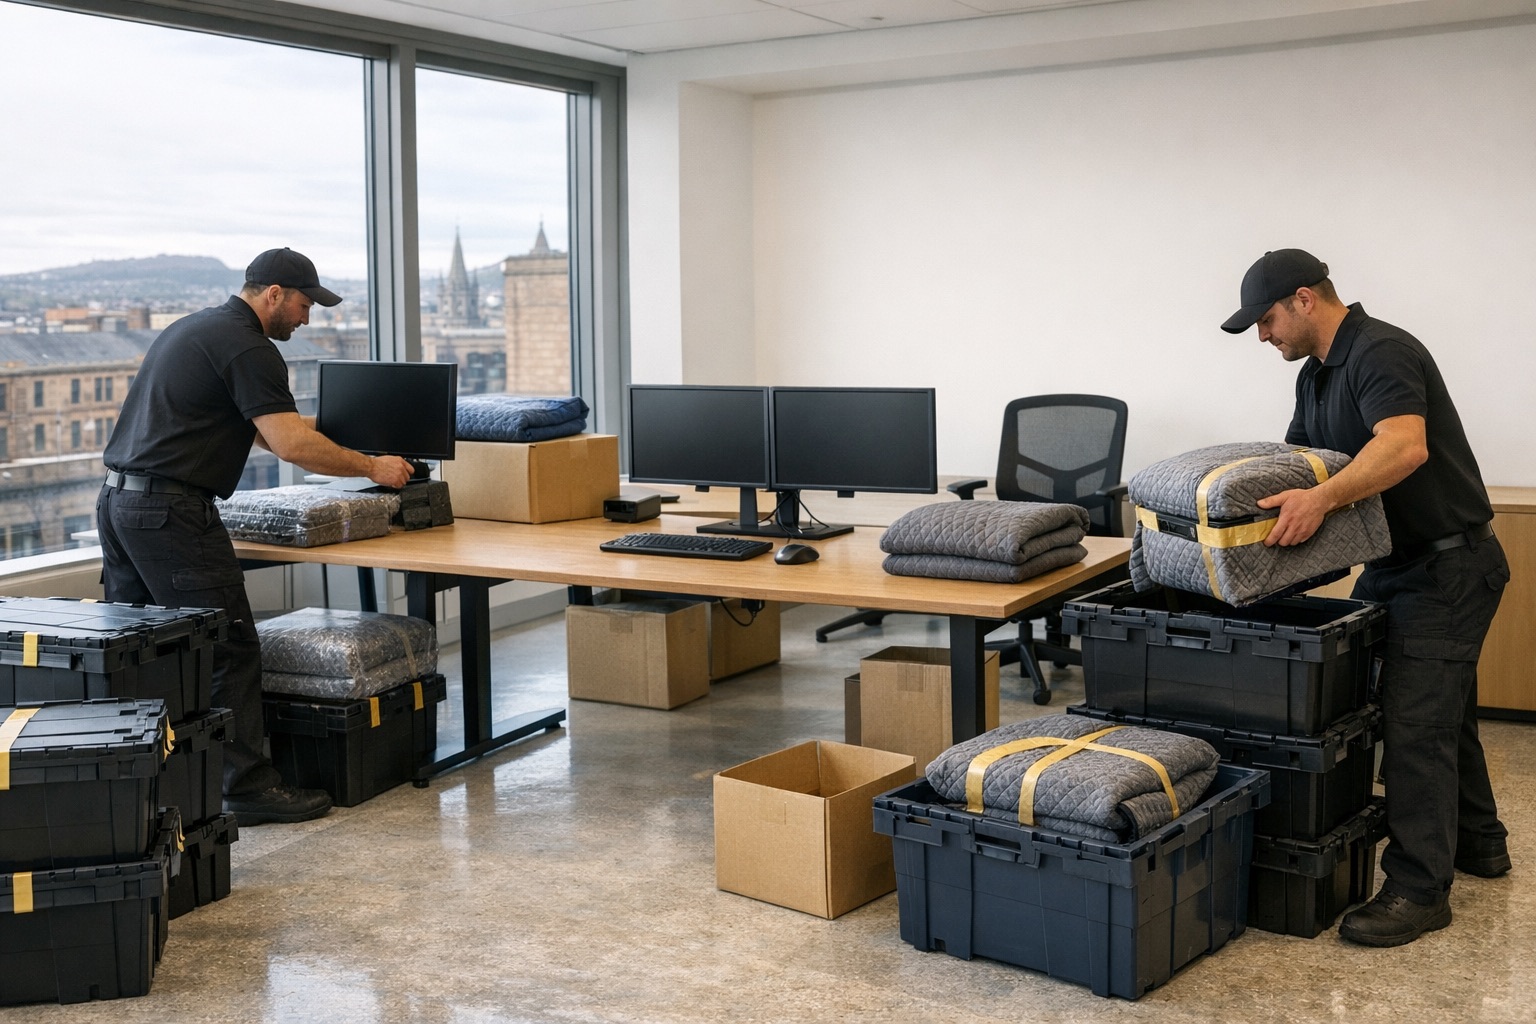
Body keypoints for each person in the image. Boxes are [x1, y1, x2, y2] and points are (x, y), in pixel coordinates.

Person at [1222, 248, 1511, 947]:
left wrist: (1319, 501)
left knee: (1413, 727)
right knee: (1442, 717)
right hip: (1398, 565)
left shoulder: (1381, 351)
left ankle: (1418, 890)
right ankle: (1479, 845)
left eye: (1266, 321)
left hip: (1449, 567)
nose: (1263, 337)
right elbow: (1297, 460)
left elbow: (1404, 447)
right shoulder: (1319, 376)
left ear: (1304, 299)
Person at [98, 247, 413, 826]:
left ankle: (144, 783)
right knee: (228, 646)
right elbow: (291, 445)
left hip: (122, 503)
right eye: (302, 303)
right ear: (272, 293)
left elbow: (268, 433)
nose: (306, 317)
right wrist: (373, 467)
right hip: (170, 513)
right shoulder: (250, 347)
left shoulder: (196, 328)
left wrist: (352, 438)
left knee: (145, 650)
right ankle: (245, 788)